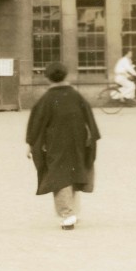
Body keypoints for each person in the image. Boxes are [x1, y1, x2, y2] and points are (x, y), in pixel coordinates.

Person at [25, 62, 101, 230]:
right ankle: (72, 211)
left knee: (59, 175)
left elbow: (37, 123)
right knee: (73, 172)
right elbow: (89, 117)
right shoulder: (75, 95)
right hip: (78, 141)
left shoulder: (46, 99)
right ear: (66, 76)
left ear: (47, 78)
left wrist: (32, 143)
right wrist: (91, 139)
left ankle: (67, 215)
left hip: (56, 143)